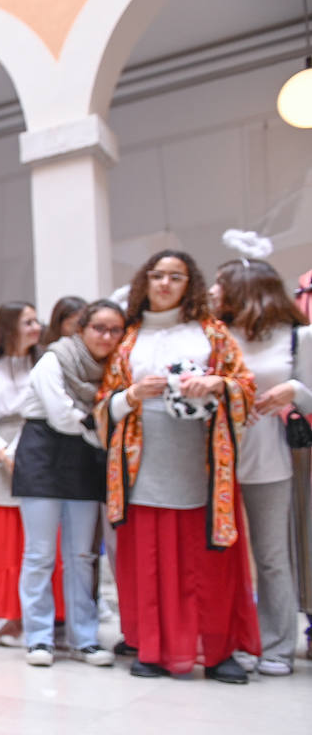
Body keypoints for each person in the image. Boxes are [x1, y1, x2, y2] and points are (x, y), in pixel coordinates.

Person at [95, 250, 259, 683]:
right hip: (142, 460)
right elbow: (102, 406)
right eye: (157, 275)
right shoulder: (128, 340)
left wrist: (218, 383)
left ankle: (218, 649)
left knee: (205, 560)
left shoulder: (213, 334)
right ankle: (153, 648)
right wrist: (132, 396)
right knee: (149, 557)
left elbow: (244, 386)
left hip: (201, 462)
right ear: (144, 282)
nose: (165, 284)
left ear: (191, 284)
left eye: (176, 277)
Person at [212, 257, 312, 676]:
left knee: (272, 556)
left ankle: (278, 646)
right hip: (218, 459)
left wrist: (295, 390)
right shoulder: (217, 335)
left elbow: (308, 395)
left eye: (220, 283)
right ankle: (239, 641)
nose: (213, 291)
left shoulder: (299, 337)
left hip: (273, 457)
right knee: (225, 556)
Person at [12, 300, 124, 667]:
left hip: (84, 463)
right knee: (40, 554)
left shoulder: (115, 369)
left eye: (114, 330)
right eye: (98, 328)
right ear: (81, 330)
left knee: (82, 556)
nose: (106, 336)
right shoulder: (54, 359)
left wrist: (93, 427)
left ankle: (85, 639)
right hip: (44, 456)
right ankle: (39, 638)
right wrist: (95, 426)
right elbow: (61, 417)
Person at [0, 301, 51, 646]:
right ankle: (7, 617)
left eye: (36, 321)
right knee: (5, 540)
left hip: (37, 448)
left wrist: (21, 450)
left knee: (35, 540)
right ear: (9, 326)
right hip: (0, 455)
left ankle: (35, 617)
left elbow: (40, 411)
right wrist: (1, 452)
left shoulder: (45, 364)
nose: (36, 327)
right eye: (28, 322)